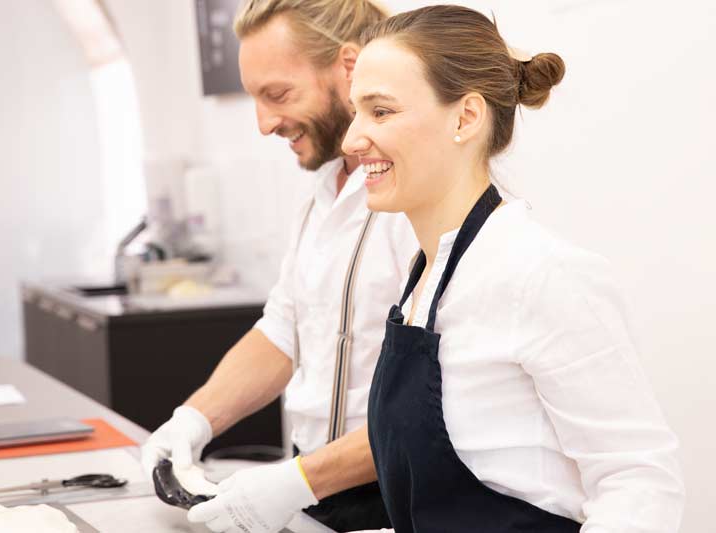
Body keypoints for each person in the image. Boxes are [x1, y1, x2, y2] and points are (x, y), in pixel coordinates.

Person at [341, 5, 685, 532]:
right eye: (354, 112)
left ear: (466, 117)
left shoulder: (542, 275)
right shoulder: (425, 276)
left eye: (381, 111)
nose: (352, 140)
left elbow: (640, 483)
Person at [141, 2, 416, 532]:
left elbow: (436, 400)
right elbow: (283, 329)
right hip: (317, 488)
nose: (265, 124)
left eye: (278, 94)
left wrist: (296, 481)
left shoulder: (417, 199)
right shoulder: (318, 192)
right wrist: (193, 420)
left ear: (350, 68)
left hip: (392, 494)